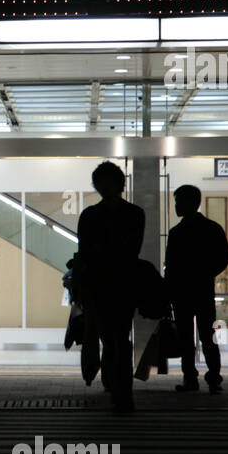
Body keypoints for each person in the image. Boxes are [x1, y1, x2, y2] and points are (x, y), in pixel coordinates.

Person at [76, 161, 145, 414]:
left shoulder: (90, 216)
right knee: (119, 337)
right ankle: (121, 390)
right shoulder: (135, 214)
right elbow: (132, 250)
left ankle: (116, 386)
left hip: (99, 284)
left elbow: (84, 253)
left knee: (109, 337)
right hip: (125, 283)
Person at [164, 184, 228, 394]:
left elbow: (171, 267)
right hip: (203, 291)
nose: (176, 206)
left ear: (191, 203)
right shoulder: (212, 229)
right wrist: (206, 273)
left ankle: (190, 378)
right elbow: (224, 257)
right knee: (207, 336)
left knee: (186, 337)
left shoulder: (176, 233)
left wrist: (169, 291)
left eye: (178, 201)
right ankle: (213, 378)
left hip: (182, 293)